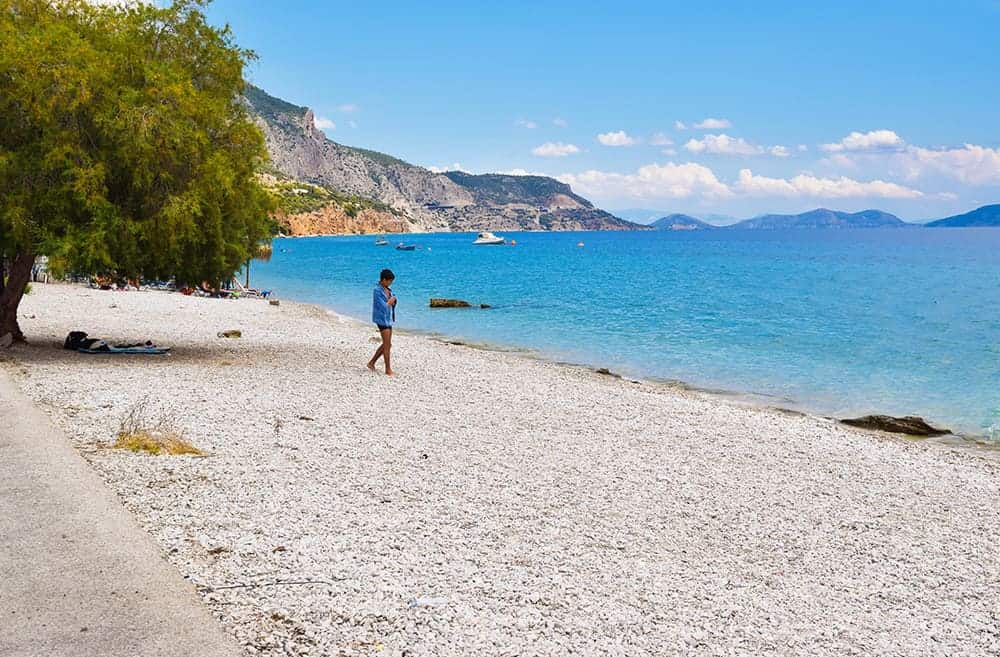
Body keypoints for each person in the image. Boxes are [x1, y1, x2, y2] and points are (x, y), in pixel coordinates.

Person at [367, 269, 397, 375]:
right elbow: (384, 306)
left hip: (388, 319)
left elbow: (391, 302)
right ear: (383, 279)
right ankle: (388, 369)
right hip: (381, 319)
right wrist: (391, 300)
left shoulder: (388, 289)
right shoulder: (377, 290)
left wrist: (393, 301)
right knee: (387, 344)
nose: (390, 283)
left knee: (387, 344)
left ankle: (371, 363)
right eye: (389, 281)